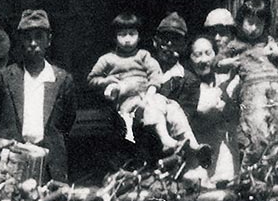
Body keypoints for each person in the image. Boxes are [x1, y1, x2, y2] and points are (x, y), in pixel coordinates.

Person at [87, 12, 205, 156]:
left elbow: (185, 117)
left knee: (174, 109)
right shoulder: (139, 66)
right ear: (155, 41)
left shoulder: (189, 80)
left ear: (184, 45)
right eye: (164, 39)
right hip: (132, 148)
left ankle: (193, 145)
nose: (168, 45)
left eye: (175, 40)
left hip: (171, 154)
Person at [0, 10, 77, 182]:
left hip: (50, 165)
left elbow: (67, 122)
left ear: (48, 40)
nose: (33, 43)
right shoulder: (4, 78)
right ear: (19, 40)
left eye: (39, 37)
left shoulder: (62, 80)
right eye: (28, 38)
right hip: (12, 161)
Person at [218, 0, 278, 162]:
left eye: (259, 24)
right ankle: (252, 169)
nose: (254, 28)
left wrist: (276, 53)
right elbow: (217, 62)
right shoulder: (236, 44)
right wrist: (230, 62)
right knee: (257, 130)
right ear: (241, 22)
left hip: (275, 88)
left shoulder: (268, 41)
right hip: (253, 90)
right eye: (250, 22)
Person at [176, 33, 240, 183]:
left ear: (215, 55)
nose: (203, 60)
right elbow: (200, 109)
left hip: (222, 150)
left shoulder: (223, 80)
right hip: (197, 151)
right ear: (189, 58)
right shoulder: (185, 83)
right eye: (197, 55)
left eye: (208, 53)